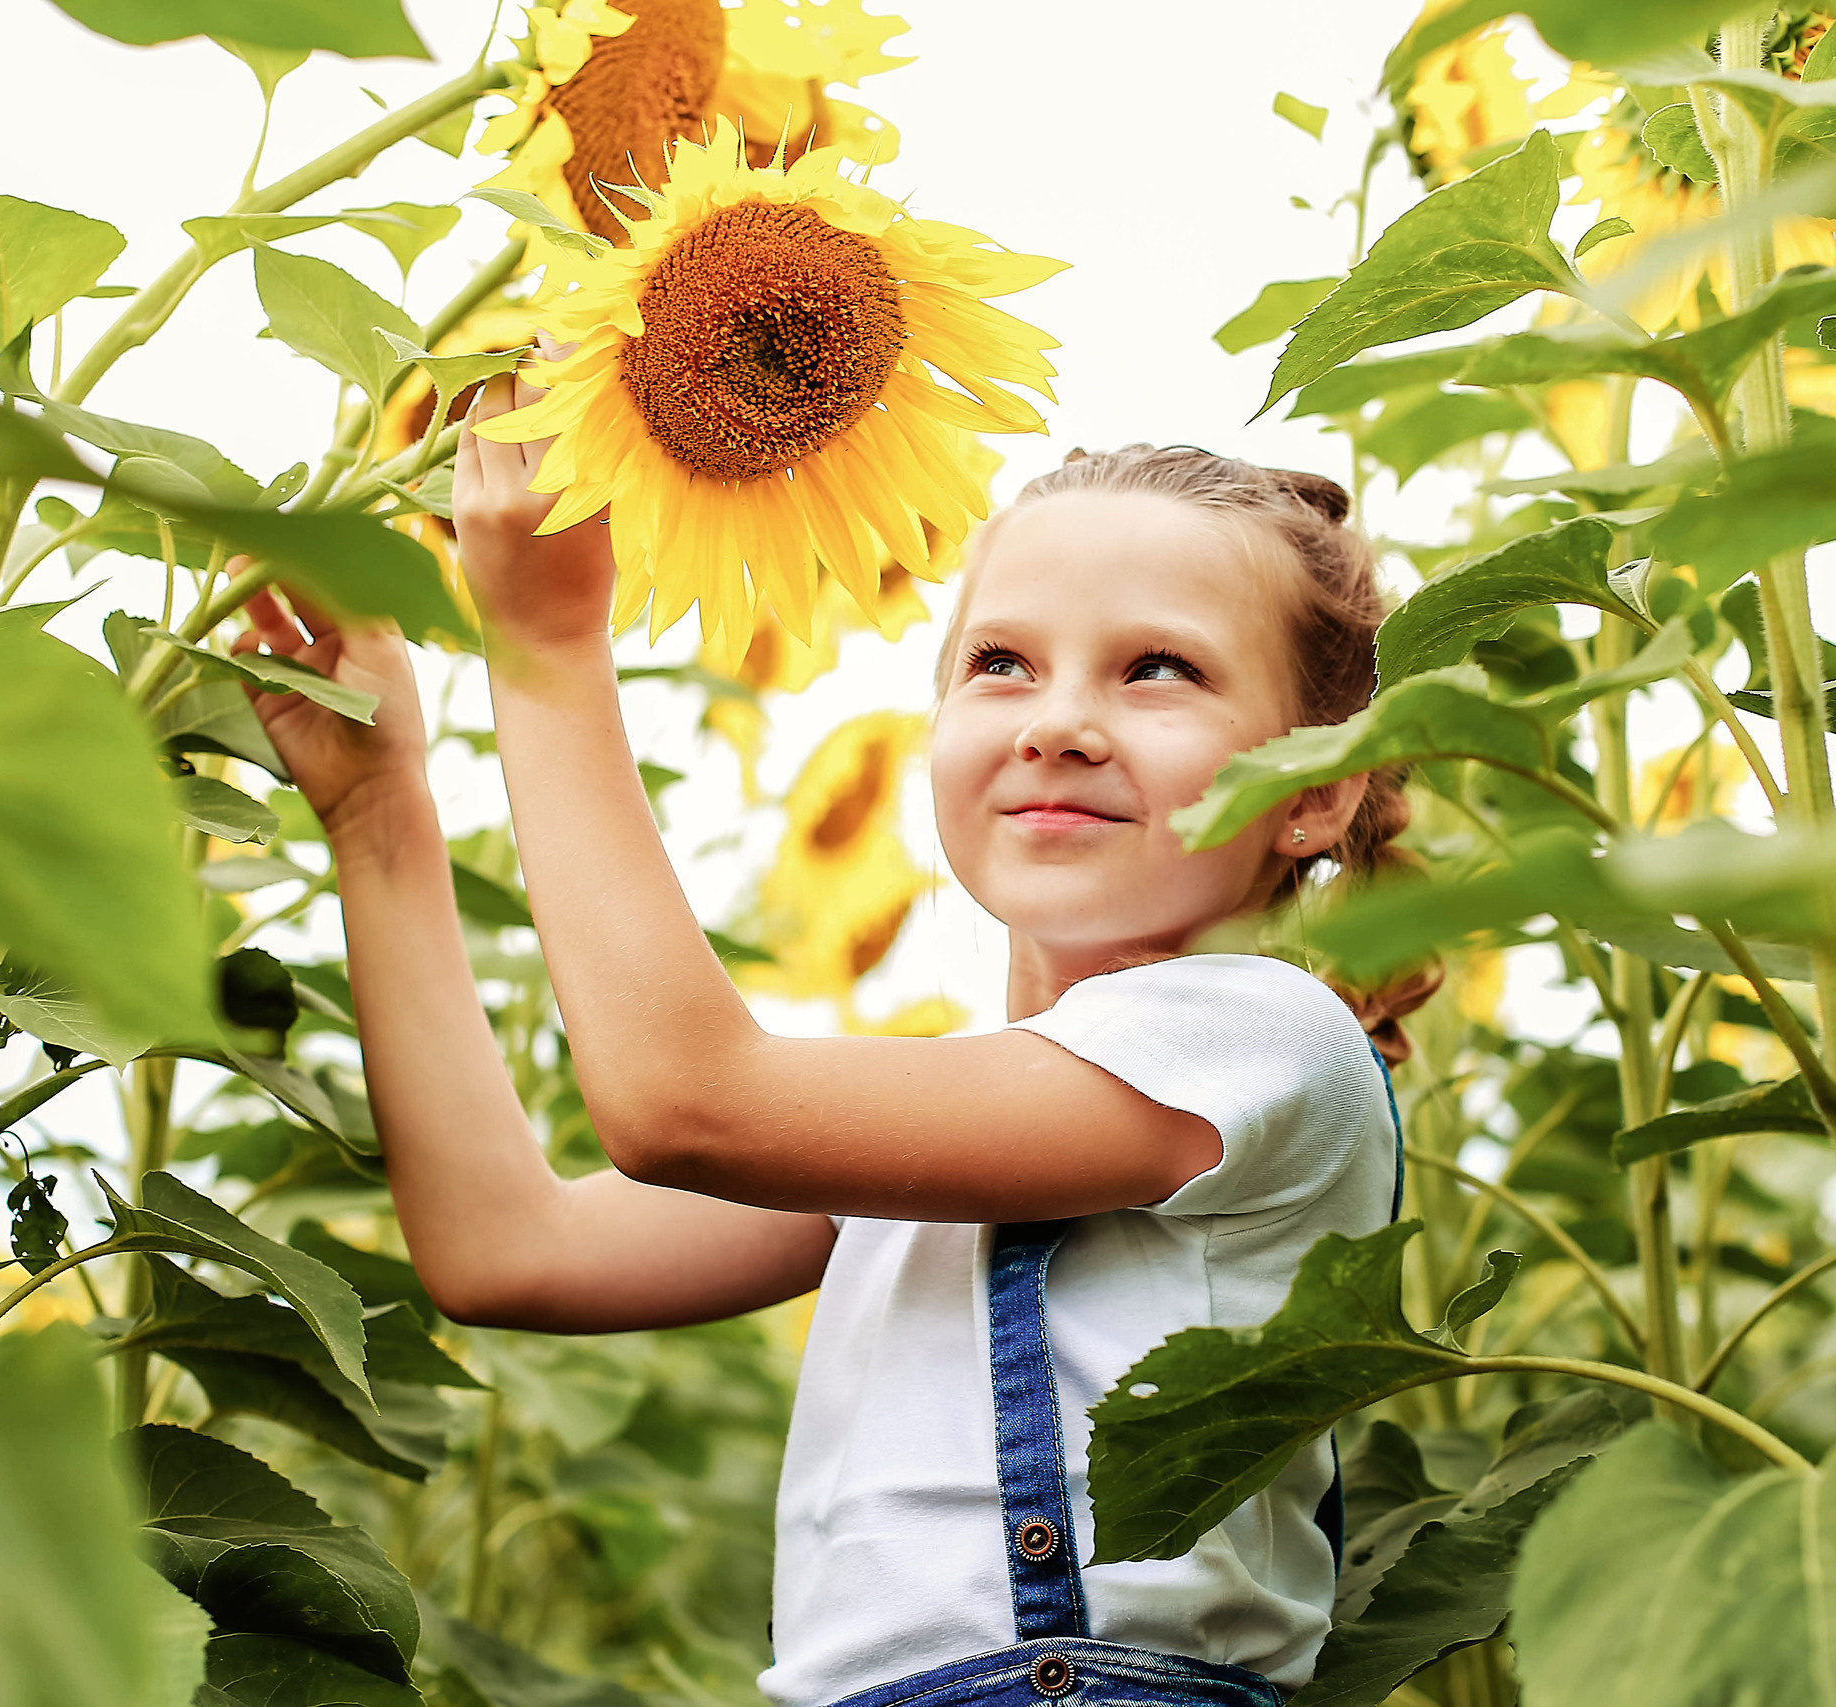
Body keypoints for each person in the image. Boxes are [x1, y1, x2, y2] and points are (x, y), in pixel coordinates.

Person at [238, 392, 1439, 1707]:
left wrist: (543, 639)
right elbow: (506, 1245)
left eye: (1159, 669)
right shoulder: (930, 1153)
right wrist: (377, 811)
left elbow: (681, 1102)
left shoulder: (1262, 1042)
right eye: (1001, 663)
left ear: (1317, 790)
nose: (1059, 721)